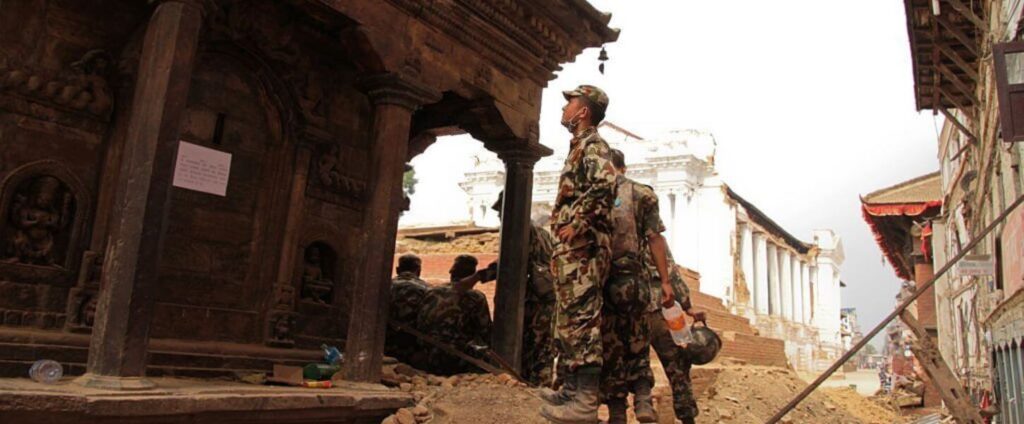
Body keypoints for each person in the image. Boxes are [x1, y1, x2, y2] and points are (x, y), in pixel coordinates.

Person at [540, 85, 618, 424]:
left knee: (582, 321)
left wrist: (580, 223)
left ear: (583, 112)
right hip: (573, 252)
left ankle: (585, 405)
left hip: (583, 250)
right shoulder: (578, 148)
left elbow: (606, 185)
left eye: (570, 103)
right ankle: (571, 391)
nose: (564, 109)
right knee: (569, 320)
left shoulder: (594, 146)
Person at [597, 148, 675, 423]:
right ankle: (642, 399)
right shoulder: (644, 194)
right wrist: (665, 281)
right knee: (637, 339)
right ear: (624, 167)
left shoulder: (594, 194)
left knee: (611, 344)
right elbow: (655, 239)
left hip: (602, 282)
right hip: (634, 281)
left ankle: (618, 411)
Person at [468, 191, 557, 386]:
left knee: (528, 350)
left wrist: (477, 277)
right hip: (546, 301)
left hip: (531, 302)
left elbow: (509, 264)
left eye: (501, 211)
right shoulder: (543, 233)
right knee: (542, 351)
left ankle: (532, 394)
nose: (499, 216)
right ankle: (540, 390)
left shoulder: (522, 231)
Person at [415, 254, 493, 374]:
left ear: (451, 272)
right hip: (456, 358)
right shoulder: (476, 297)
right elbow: (486, 332)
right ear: (472, 274)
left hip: (427, 354)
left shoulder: (431, 291)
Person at [386, 254, 431, 364]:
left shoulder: (383, 286)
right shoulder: (427, 289)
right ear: (418, 270)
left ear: (397, 270)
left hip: (383, 344)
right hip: (411, 347)